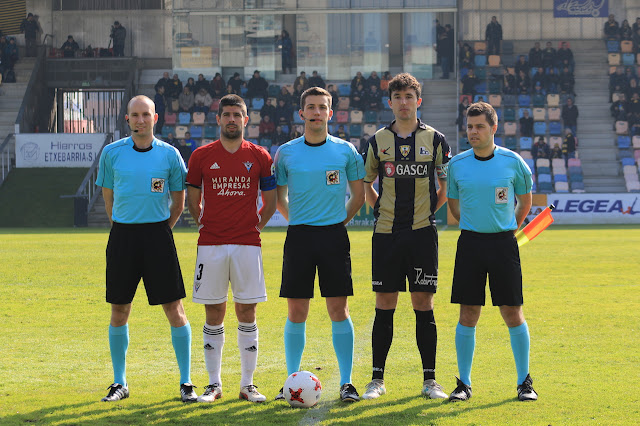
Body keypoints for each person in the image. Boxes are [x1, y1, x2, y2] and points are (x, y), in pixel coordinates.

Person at [95, 95, 196, 403]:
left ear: (156, 117)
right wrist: (122, 226)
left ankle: (186, 382)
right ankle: (119, 383)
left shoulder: (170, 155)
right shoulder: (112, 154)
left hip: (158, 237)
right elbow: (108, 199)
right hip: (123, 237)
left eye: (146, 114)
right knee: (119, 310)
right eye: (135, 115)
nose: (140, 120)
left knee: (174, 310)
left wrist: (160, 231)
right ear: (127, 119)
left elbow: (178, 204)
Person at [361, 72, 451, 401]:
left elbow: (445, 185)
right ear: (390, 103)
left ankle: (430, 381)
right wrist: (379, 209)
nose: (403, 102)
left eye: (408, 97)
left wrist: (430, 212)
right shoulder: (377, 141)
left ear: (418, 101)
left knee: (422, 304)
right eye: (397, 97)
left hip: (422, 236)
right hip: (386, 235)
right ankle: (376, 380)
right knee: (385, 304)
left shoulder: (436, 140)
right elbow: (365, 183)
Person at [273, 86, 365, 403]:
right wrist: (295, 217)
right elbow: (279, 197)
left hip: (333, 237)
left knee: (338, 309)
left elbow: (359, 195)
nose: (316, 112)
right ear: (302, 113)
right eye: (310, 107)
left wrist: (339, 221)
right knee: (297, 310)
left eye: (321, 107)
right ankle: (290, 382)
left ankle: (347, 382)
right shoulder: (286, 153)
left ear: (330, 113)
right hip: (298, 236)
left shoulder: (346, 151)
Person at [185, 94, 277, 404]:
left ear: (246, 120)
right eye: (226, 114)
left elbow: (271, 202)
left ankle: (247, 385)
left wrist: (253, 228)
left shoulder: (260, 155)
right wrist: (205, 224)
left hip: (247, 245)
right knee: (214, 312)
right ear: (218, 119)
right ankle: (213, 384)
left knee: (247, 310)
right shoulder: (200, 156)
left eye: (238, 114)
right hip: (210, 244)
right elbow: (192, 201)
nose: (232, 119)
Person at [446, 101, 536, 403]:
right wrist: (476, 225)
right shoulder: (457, 165)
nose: (473, 131)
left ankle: (525, 382)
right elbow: (455, 207)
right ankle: (464, 383)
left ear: (493, 128)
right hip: (470, 244)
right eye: (469, 126)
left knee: (512, 311)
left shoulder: (513, 162)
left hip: (503, 244)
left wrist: (507, 228)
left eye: (479, 126)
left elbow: (525, 202)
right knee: (468, 313)